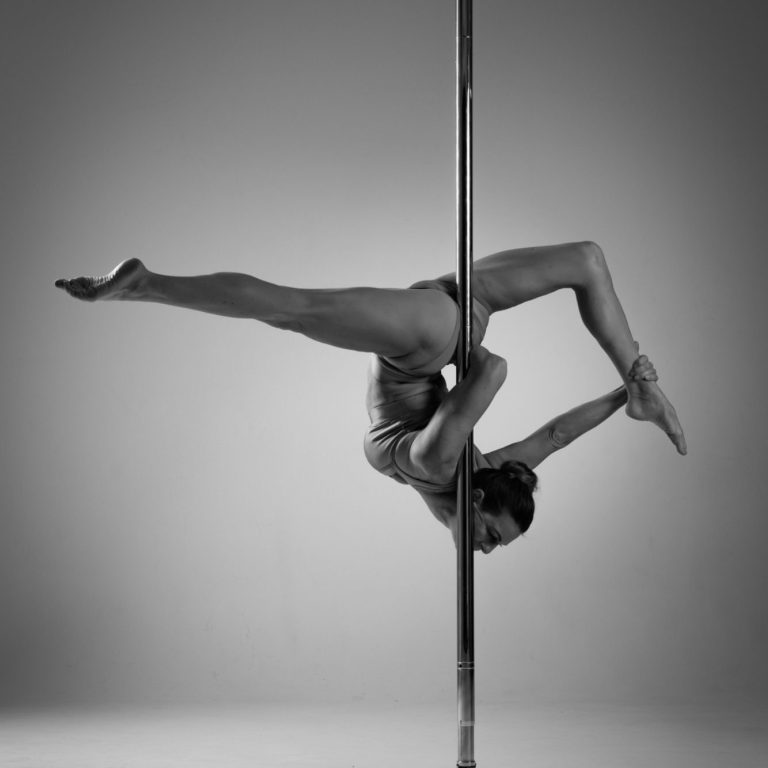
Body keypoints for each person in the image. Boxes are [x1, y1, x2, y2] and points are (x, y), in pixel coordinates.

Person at [56, 241, 686, 554]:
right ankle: (146, 286)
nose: (486, 551)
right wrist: (469, 359)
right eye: (492, 537)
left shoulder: (486, 471)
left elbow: (554, 437)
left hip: (450, 309)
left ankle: (644, 391)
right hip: (426, 342)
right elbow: (493, 370)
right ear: (477, 502)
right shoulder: (440, 466)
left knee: (587, 259)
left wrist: (620, 395)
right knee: (293, 310)